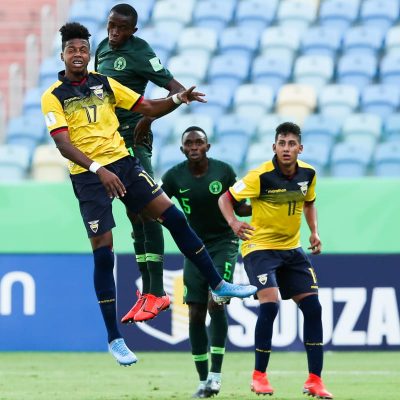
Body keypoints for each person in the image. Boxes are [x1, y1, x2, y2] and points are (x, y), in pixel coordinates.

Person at [41, 22, 257, 366]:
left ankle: (218, 283)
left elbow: (147, 107)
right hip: (88, 176)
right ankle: (114, 339)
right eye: (72, 50)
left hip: (123, 163)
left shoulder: (105, 83)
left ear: (87, 52)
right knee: (103, 253)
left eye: (83, 49)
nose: (79, 54)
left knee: (172, 216)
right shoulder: (53, 96)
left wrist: (177, 98)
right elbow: (63, 144)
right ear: (63, 54)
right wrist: (99, 170)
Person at [218, 122, 333, 399]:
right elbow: (225, 198)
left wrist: (314, 232)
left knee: (314, 308)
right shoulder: (260, 176)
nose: (286, 148)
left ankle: (315, 381)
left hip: (292, 250)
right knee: (270, 307)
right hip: (259, 249)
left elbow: (308, 202)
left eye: (291, 144)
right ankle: (259, 376)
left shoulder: (309, 173)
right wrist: (234, 222)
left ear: (300, 148)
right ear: (274, 147)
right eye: (282, 143)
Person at [95, 3, 186, 323]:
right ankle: (148, 292)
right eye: (111, 26)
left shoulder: (141, 52)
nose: (114, 33)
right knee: (135, 216)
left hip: (133, 144)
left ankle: (157, 291)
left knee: (150, 212)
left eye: (121, 28)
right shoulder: (102, 48)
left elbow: (175, 90)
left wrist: (147, 122)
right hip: (109, 147)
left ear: (133, 30)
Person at [161, 127, 252, 398]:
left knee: (217, 302)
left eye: (198, 142)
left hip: (224, 242)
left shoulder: (223, 172)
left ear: (207, 146)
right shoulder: (174, 176)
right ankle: (202, 381)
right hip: (194, 247)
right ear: (182, 149)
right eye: (188, 143)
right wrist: (141, 225)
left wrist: (265, 202)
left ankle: (216, 376)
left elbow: (240, 206)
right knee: (196, 312)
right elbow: (157, 206)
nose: (193, 146)